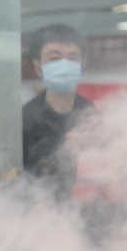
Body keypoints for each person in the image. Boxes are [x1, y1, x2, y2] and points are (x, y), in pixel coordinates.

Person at [22, 24, 94, 195]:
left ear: (82, 64)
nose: (64, 65)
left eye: (72, 58)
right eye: (54, 58)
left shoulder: (92, 115)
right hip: (41, 212)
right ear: (38, 67)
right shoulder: (25, 120)